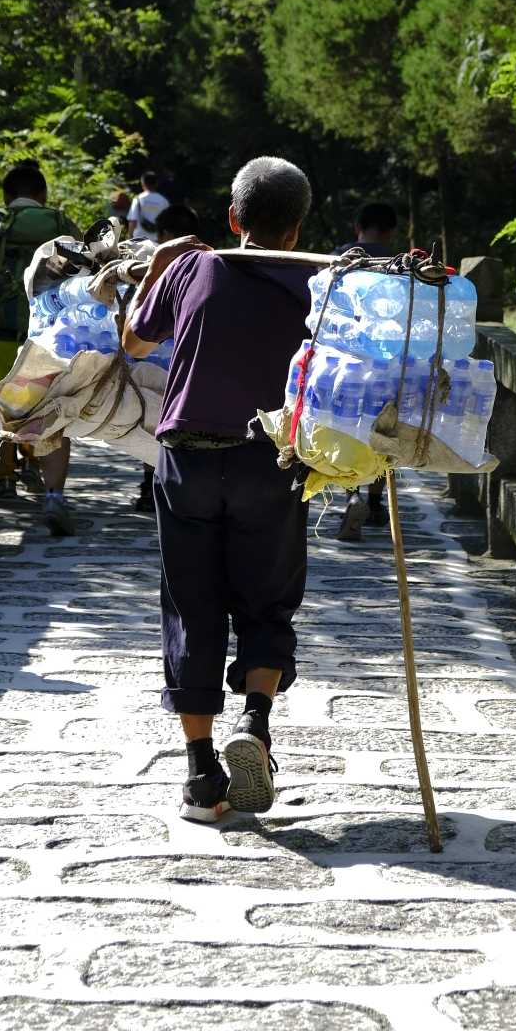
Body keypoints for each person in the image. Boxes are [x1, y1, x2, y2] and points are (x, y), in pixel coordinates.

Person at [123, 157, 315, 823]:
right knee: (267, 605)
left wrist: (159, 262)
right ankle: (255, 724)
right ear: (297, 228)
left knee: (191, 610)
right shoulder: (320, 282)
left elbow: (135, 340)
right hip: (272, 461)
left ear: (234, 220)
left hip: (187, 464)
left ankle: (204, 777)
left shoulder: (191, 266)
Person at [0, 159, 78, 535]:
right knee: (53, 414)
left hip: (1, 339)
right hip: (52, 340)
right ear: (42, 195)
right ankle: (54, 496)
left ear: (6, 196)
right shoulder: (62, 227)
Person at [132, 202, 202, 515]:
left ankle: (150, 485)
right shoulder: (204, 264)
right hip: (184, 361)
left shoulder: (154, 264)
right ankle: (172, 484)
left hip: (150, 355)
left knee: (149, 421)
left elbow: (135, 325)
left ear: (163, 234)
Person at [335, 200, 398, 531]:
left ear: (357, 227)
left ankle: (352, 496)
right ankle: (376, 504)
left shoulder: (343, 259)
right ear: (390, 232)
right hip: (388, 361)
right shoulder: (399, 265)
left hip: (347, 360)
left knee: (349, 429)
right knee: (383, 434)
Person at [127, 169, 171, 240]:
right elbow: (167, 224)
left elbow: (133, 221)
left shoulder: (138, 199)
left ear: (143, 183)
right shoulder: (164, 201)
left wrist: (129, 237)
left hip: (139, 240)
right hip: (157, 241)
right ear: (156, 183)